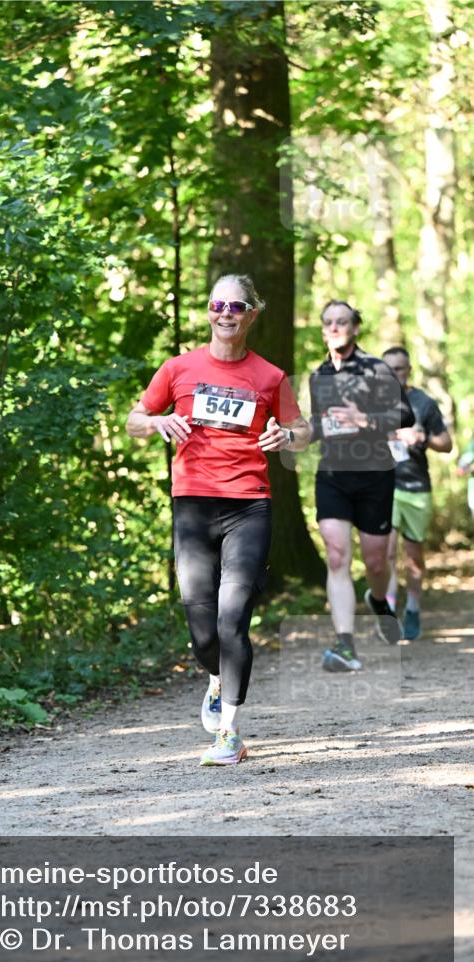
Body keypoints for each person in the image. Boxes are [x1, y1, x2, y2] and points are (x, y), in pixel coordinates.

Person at [126, 274, 310, 765]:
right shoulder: (177, 368)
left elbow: (302, 428)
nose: (226, 312)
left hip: (249, 505)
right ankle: (215, 677)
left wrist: (287, 439)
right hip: (192, 506)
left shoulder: (269, 377)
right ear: (209, 312)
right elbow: (134, 420)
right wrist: (156, 421)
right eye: (217, 304)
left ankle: (229, 731)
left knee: (232, 620)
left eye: (237, 305)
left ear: (252, 314)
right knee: (202, 630)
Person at [308, 301, 414, 672]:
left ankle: (378, 599)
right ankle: (345, 645)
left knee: (374, 561)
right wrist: (294, 434)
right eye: (329, 322)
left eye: (342, 321)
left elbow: (405, 414)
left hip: (374, 476)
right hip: (333, 475)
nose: (335, 327)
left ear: (355, 327)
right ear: (323, 329)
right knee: (336, 554)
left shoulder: (375, 368)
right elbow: (319, 426)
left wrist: (363, 417)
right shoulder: (318, 374)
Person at [382, 347, 452, 640]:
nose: (393, 375)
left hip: (416, 487)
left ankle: (412, 608)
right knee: (385, 551)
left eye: (398, 369)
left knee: (413, 558)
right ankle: (388, 612)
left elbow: (446, 443)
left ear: (408, 370)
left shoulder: (423, 402)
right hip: (383, 486)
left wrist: (422, 437)